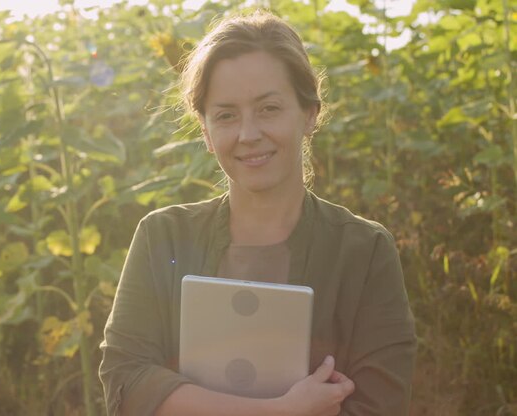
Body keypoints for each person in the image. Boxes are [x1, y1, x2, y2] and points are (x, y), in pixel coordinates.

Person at [99, 10, 416, 416]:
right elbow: (127, 384)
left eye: (268, 108)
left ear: (309, 114)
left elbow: (380, 405)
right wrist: (281, 410)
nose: (248, 134)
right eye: (226, 115)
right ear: (206, 132)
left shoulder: (365, 251)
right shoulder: (161, 237)